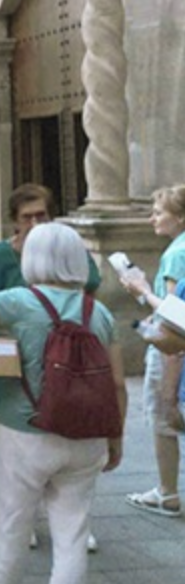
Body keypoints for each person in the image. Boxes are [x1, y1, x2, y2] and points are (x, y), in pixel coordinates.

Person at [0, 222, 126, 584]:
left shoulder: (20, 301)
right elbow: (116, 384)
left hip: (24, 433)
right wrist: (116, 439)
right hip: (88, 437)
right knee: (72, 537)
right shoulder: (99, 314)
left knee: (11, 532)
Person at [0, 183, 101, 551]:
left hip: (70, 363)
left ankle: (73, 522)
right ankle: (22, 520)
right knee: (18, 444)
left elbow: (89, 288)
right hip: (18, 365)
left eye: (41, 215)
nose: (34, 222)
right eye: (26, 217)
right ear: (14, 222)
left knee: (71, 439)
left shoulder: (68, 248)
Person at [118, 185, 185, 517]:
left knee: (164, 418)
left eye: (159, 212)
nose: (151, 219)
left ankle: (167, 490)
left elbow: (175, 315)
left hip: (171, 349)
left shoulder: (176, 253)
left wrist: (143, 290)